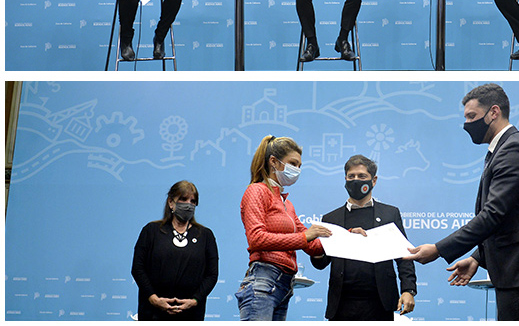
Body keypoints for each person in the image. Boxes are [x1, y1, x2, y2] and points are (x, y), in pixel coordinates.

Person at [405, 84, 519, 321]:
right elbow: (508, 219)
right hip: (517, 269)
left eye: (472, 116)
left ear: (494, 112)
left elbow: (493, 215)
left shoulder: (514, 149)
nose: (467, 124)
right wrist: (478, 258)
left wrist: (438, 250)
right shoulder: (503, 149)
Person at [237, 135, 332, 321]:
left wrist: (348, 236)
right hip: (263, 281)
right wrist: (305, 237)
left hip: (284, 286)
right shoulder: (256, 191)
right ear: (273, 162)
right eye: (293, 163)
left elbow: (312, 246)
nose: (297, 170)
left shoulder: (287, 204)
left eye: (299, 166)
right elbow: (256, 239)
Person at [311, 155, 417, 321]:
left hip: (380, 302)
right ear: (345, 179)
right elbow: (320, 263)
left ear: (373, 181)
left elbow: (404, 257)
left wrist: (408, 290)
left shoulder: (390, 214)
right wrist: (314, 248)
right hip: (341, 303)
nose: (355, 180)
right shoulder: (331, 219)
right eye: (351, 176)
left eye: (362, 176)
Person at [131, 180, 219, 320]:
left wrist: (195, 300)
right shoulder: (151, 231)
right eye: (183, 199)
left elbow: (211, 274)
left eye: (193, 201)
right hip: (153, 313)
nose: (188, 205)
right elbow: (138, 268)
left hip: (191, 314)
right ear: (171, 202)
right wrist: (153, 298)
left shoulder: (205, 235)